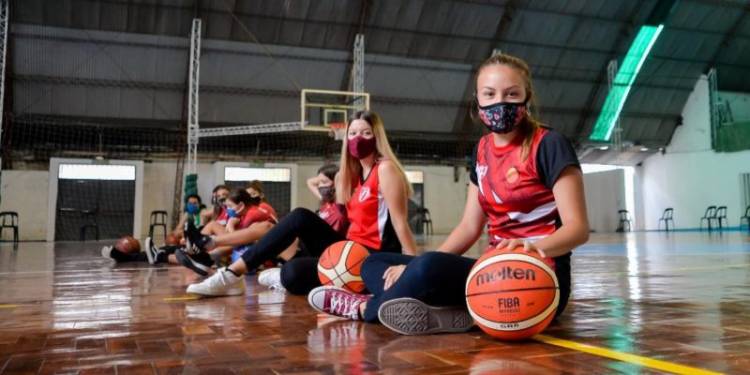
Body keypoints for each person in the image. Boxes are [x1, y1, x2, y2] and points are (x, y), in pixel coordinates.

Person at [308, 53, 590, 334]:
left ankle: (363, 308)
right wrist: (416, 265)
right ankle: (454, 313)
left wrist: (531, 246)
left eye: (511, 93)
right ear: (477, 100)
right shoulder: (482, 150)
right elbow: (469, 227)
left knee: (427, 267)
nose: (499, 102)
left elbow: (578, 229)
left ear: (526, 97)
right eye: (489, 94)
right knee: (376, 262)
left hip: (537, 274)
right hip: (489, 270)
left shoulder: (549, 144)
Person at [184, 110, 417, 296]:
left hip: (373, 255)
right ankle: (232, 276)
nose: (358, 139)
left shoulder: (385, 169)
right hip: (348, 248)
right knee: (300, 217)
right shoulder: (349, 177)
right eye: (353, 134)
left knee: (293, 274)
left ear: (377, 136)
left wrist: (410, 265)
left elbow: (400, 222)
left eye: (366, 133)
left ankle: (276, 275)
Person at [176, 188, 277, 276]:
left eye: (230, 206)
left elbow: (239, 238)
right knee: (213, 225)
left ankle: (202, 248)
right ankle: (201, 249)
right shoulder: (249, 212)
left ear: (241, 205)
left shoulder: (252, 214)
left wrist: (231, 224)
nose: (228, 209)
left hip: (267, 256)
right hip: (261, 248)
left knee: (236, 240)